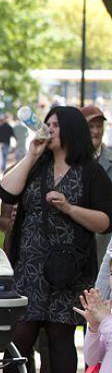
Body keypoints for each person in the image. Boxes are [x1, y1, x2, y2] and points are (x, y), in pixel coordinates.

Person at [0, 105, 112, 373]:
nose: (49, 129)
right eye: (46, 124)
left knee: (61, 341)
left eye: (56, 125)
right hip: (30, 266)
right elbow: (6, 191)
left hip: (69, 270)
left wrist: (69, 208)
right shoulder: (37, 165)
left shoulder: (90, 172)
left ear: (72, 130)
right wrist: (32, 153)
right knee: (18, 338)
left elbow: (105, 222)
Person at [83, 105, 112, 265]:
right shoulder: (67, 162)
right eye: (90, 127)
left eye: (99, 126)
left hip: (105, 251)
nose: (96, 131)